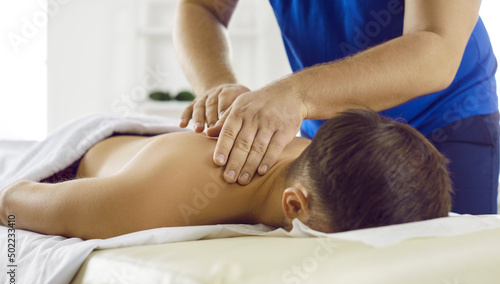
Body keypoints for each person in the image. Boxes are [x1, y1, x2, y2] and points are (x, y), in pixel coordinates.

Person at [173, 0, 498, 215]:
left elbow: (436, 48)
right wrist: (217, 84)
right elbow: (201, 7)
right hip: (334, 134)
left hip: (446, 121)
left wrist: (296, 94)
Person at [0, 109, 451, 240]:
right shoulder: (155, 202)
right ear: (294, 206)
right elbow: (13, 201)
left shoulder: (330, 159)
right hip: (83, 155)